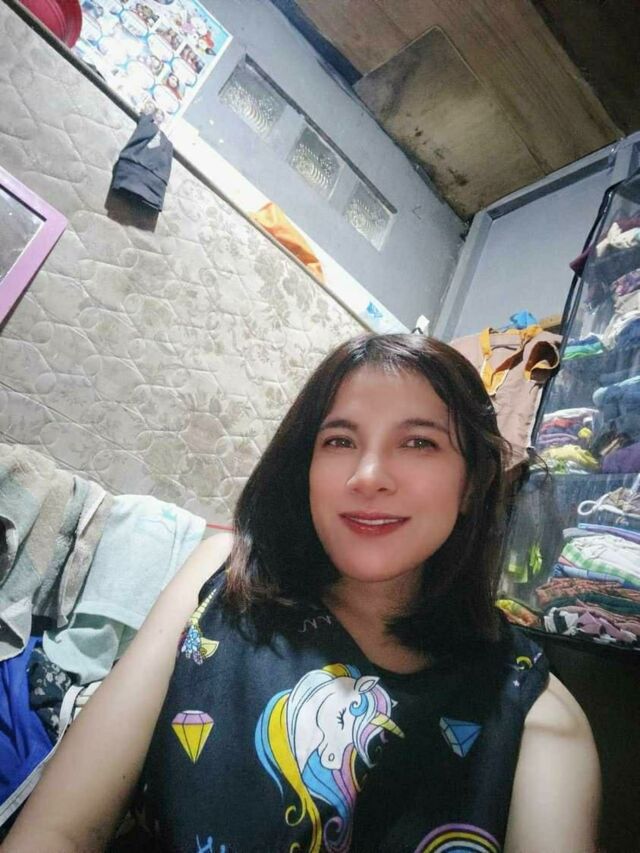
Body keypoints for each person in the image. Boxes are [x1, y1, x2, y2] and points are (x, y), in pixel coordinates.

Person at [2, 334, 600, 852]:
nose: (367, 477)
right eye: (339, 441)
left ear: (472, 483)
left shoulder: (536, 719)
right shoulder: (221, 577)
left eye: (419, 442)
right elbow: (60, 831)